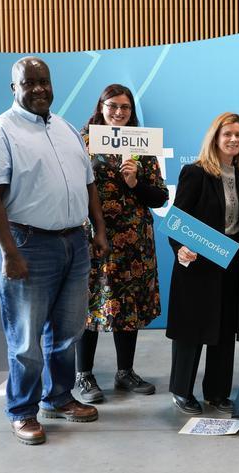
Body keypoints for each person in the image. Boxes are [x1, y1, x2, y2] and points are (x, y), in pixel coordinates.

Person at [0, 56, 108, 445]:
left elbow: (89, 183)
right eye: (30, 83)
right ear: (15, 89)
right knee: (25, 339)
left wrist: (99, 228)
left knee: (69, 330)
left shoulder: (65, 129)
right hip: (26, 243)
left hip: (74, 241)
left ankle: (58, 398)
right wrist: (8, 252)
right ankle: (22, 411)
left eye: (45, 81)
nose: (40, 88)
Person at [74, 84, 169, 403]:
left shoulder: (142, 146)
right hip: (93, 239)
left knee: (127, 305)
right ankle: (83, 376)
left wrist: (135, 182)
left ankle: (124, 372)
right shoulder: (82, 142)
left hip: (134, 242)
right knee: (89, 305)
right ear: (100, 106)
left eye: (125, 108)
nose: (118, 112)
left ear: (132, 112)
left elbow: (159, 197)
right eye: (112, 106)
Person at [166, 112, 239, 415]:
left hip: (230, 260)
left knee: (223, 328)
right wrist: (180, 248)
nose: (234, 140)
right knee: (192, 329)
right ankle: (181, 390)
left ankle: (217, 393)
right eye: (228, 134)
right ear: (215, 138)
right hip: (197, 262)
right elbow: (176, 220)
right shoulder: (195, 173)